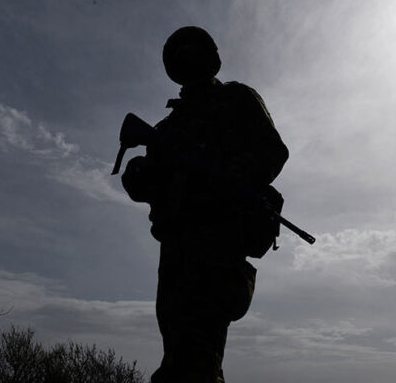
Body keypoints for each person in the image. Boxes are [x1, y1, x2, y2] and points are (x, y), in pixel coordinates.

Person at [121, 26, 288, 383]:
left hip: (218, 241)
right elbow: (148, 185)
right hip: (176, 247)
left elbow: (273, 152)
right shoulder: (169, 127)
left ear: (210, 58)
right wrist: (138, 173)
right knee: (177, 349)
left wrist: (230, 173)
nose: (189, 61)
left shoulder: (236, 99)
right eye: (181, 55)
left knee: (195, 358)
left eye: (194, 52)